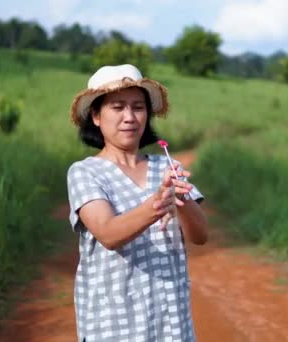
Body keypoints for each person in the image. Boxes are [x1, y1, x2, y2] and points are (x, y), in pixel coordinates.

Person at [66, 64, 208, 342]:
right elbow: (108, 233)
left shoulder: (166, 166)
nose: (129, 117)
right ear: (96, 116)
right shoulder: (85, 172)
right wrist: (157, 203)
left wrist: (181, 200)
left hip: (172, 322)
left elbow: (200, 236)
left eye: (138, 107)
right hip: (115, 325)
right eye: (117, 107)